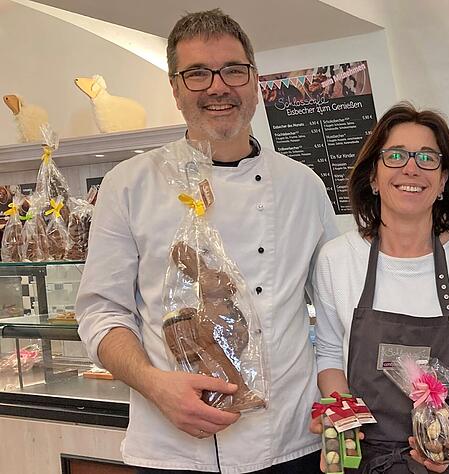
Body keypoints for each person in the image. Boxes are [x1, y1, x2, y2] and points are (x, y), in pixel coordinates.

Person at [76, 9, 338, 474]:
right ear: (175, 90)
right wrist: (155, 385)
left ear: (255, 81)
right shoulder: (129, 184)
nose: (218, 87)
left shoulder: (304, 185)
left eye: (234, 70)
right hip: (173, 444)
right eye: (197, 74)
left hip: (290, 444)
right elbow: (102, 312)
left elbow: (338, 308)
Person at [312, 102, 449, 473]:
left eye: (427, 158)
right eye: (395, 155)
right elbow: (328, 352)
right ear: (373, 177)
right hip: (368, 459)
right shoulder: (337, 258)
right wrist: (341, 411)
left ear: (442, 181)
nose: (411, 167)